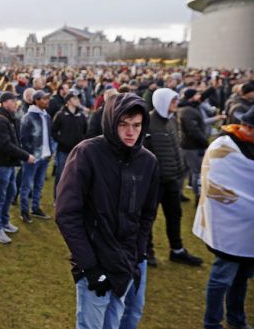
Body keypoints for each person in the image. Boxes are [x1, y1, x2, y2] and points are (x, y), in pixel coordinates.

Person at [56, 93, 159, 329]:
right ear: (111, 122)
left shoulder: (148, 161)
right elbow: (66, 213)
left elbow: (147, 214)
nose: (130, 132)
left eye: (136, 125)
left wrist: (139, 253)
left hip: (129, 259)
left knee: (124, 318)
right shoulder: (87, 153)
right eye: (123, 124)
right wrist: (89, 266)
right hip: (97, 259)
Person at [193, 106, 254, 329]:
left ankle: (237, 319)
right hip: (230, 228)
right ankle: (212, 322)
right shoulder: (223, 147)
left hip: (250, 231)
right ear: (247, 127)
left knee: (242, 278)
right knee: (221, 278)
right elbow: (217, 187)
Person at [144, 88, 203, 267]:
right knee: (148, 217)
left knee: (174, 215)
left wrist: (178, 170)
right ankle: (147, 250)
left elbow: (174, 147)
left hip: (171, 180)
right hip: (154, 182)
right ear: (162, 102)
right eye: (172, 101)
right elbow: (143, 154)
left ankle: (176, 250)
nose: (175, 104)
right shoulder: (148, 122)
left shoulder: (171, 120)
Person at [0, 92, 35, 244]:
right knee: (0, 196)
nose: (16, 103)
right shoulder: (0, 120)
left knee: (10, 192)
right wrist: (25, 156)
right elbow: (5, 145)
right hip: (2, 163)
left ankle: (4, 221)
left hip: (9, 163)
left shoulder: (8, 117)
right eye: (12, 100)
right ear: (4, 103)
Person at [19, 90, 55, 223]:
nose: (47, 101)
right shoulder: (28, 117)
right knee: (27, 184)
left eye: (47, 98)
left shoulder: (47, 116)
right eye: (44, 99)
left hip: (45, 157)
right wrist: (29, 154)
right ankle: (24, 211)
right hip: (33, 157)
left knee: (39, 185)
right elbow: (23, 139)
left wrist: (49, 151)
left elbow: (49, 136)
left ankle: (35, 208)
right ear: (36, 100)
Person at [52, 90, 87, 199]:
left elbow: (85, 131)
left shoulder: (81, 115)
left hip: (77, 152)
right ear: (68, 101)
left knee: (76, 175)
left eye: (78, 98)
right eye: (75, 98)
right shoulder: (60, 115)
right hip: (63, 151)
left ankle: (71, 197)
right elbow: (53, 131)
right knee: (60, 175)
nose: (78, 100)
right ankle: (57, 198)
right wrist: (63, 140)